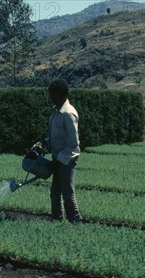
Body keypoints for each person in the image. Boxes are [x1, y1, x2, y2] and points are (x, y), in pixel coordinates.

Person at [35, 79, 83, 223]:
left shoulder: (68, 114)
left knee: (67, 193)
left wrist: (60, 159)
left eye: (53, 95)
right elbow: (55, 136)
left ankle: (76, 221)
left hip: (67, 158)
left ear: (60, 95)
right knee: (55, 193)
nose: (51, 98)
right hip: (59, 158)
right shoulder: (56, 111)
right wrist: (43, 142)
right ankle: (57, 221)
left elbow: (73, 143)